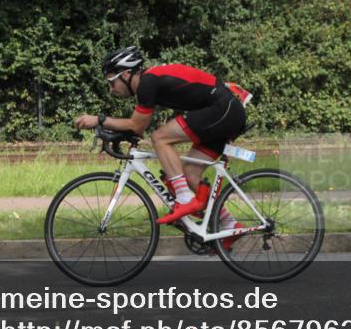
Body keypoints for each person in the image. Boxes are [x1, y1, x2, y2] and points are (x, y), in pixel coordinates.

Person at [73, 47, 248, 229]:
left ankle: (185, 198)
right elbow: (137, 128)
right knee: (190, 173)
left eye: (111, 82)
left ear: (125, 74)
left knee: (160, 138)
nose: (111, 89)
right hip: (225, 110)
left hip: (223, 109)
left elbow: (136, 126)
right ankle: (230, 224)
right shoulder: (149, 83)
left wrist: (99, 120)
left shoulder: (147, 83)